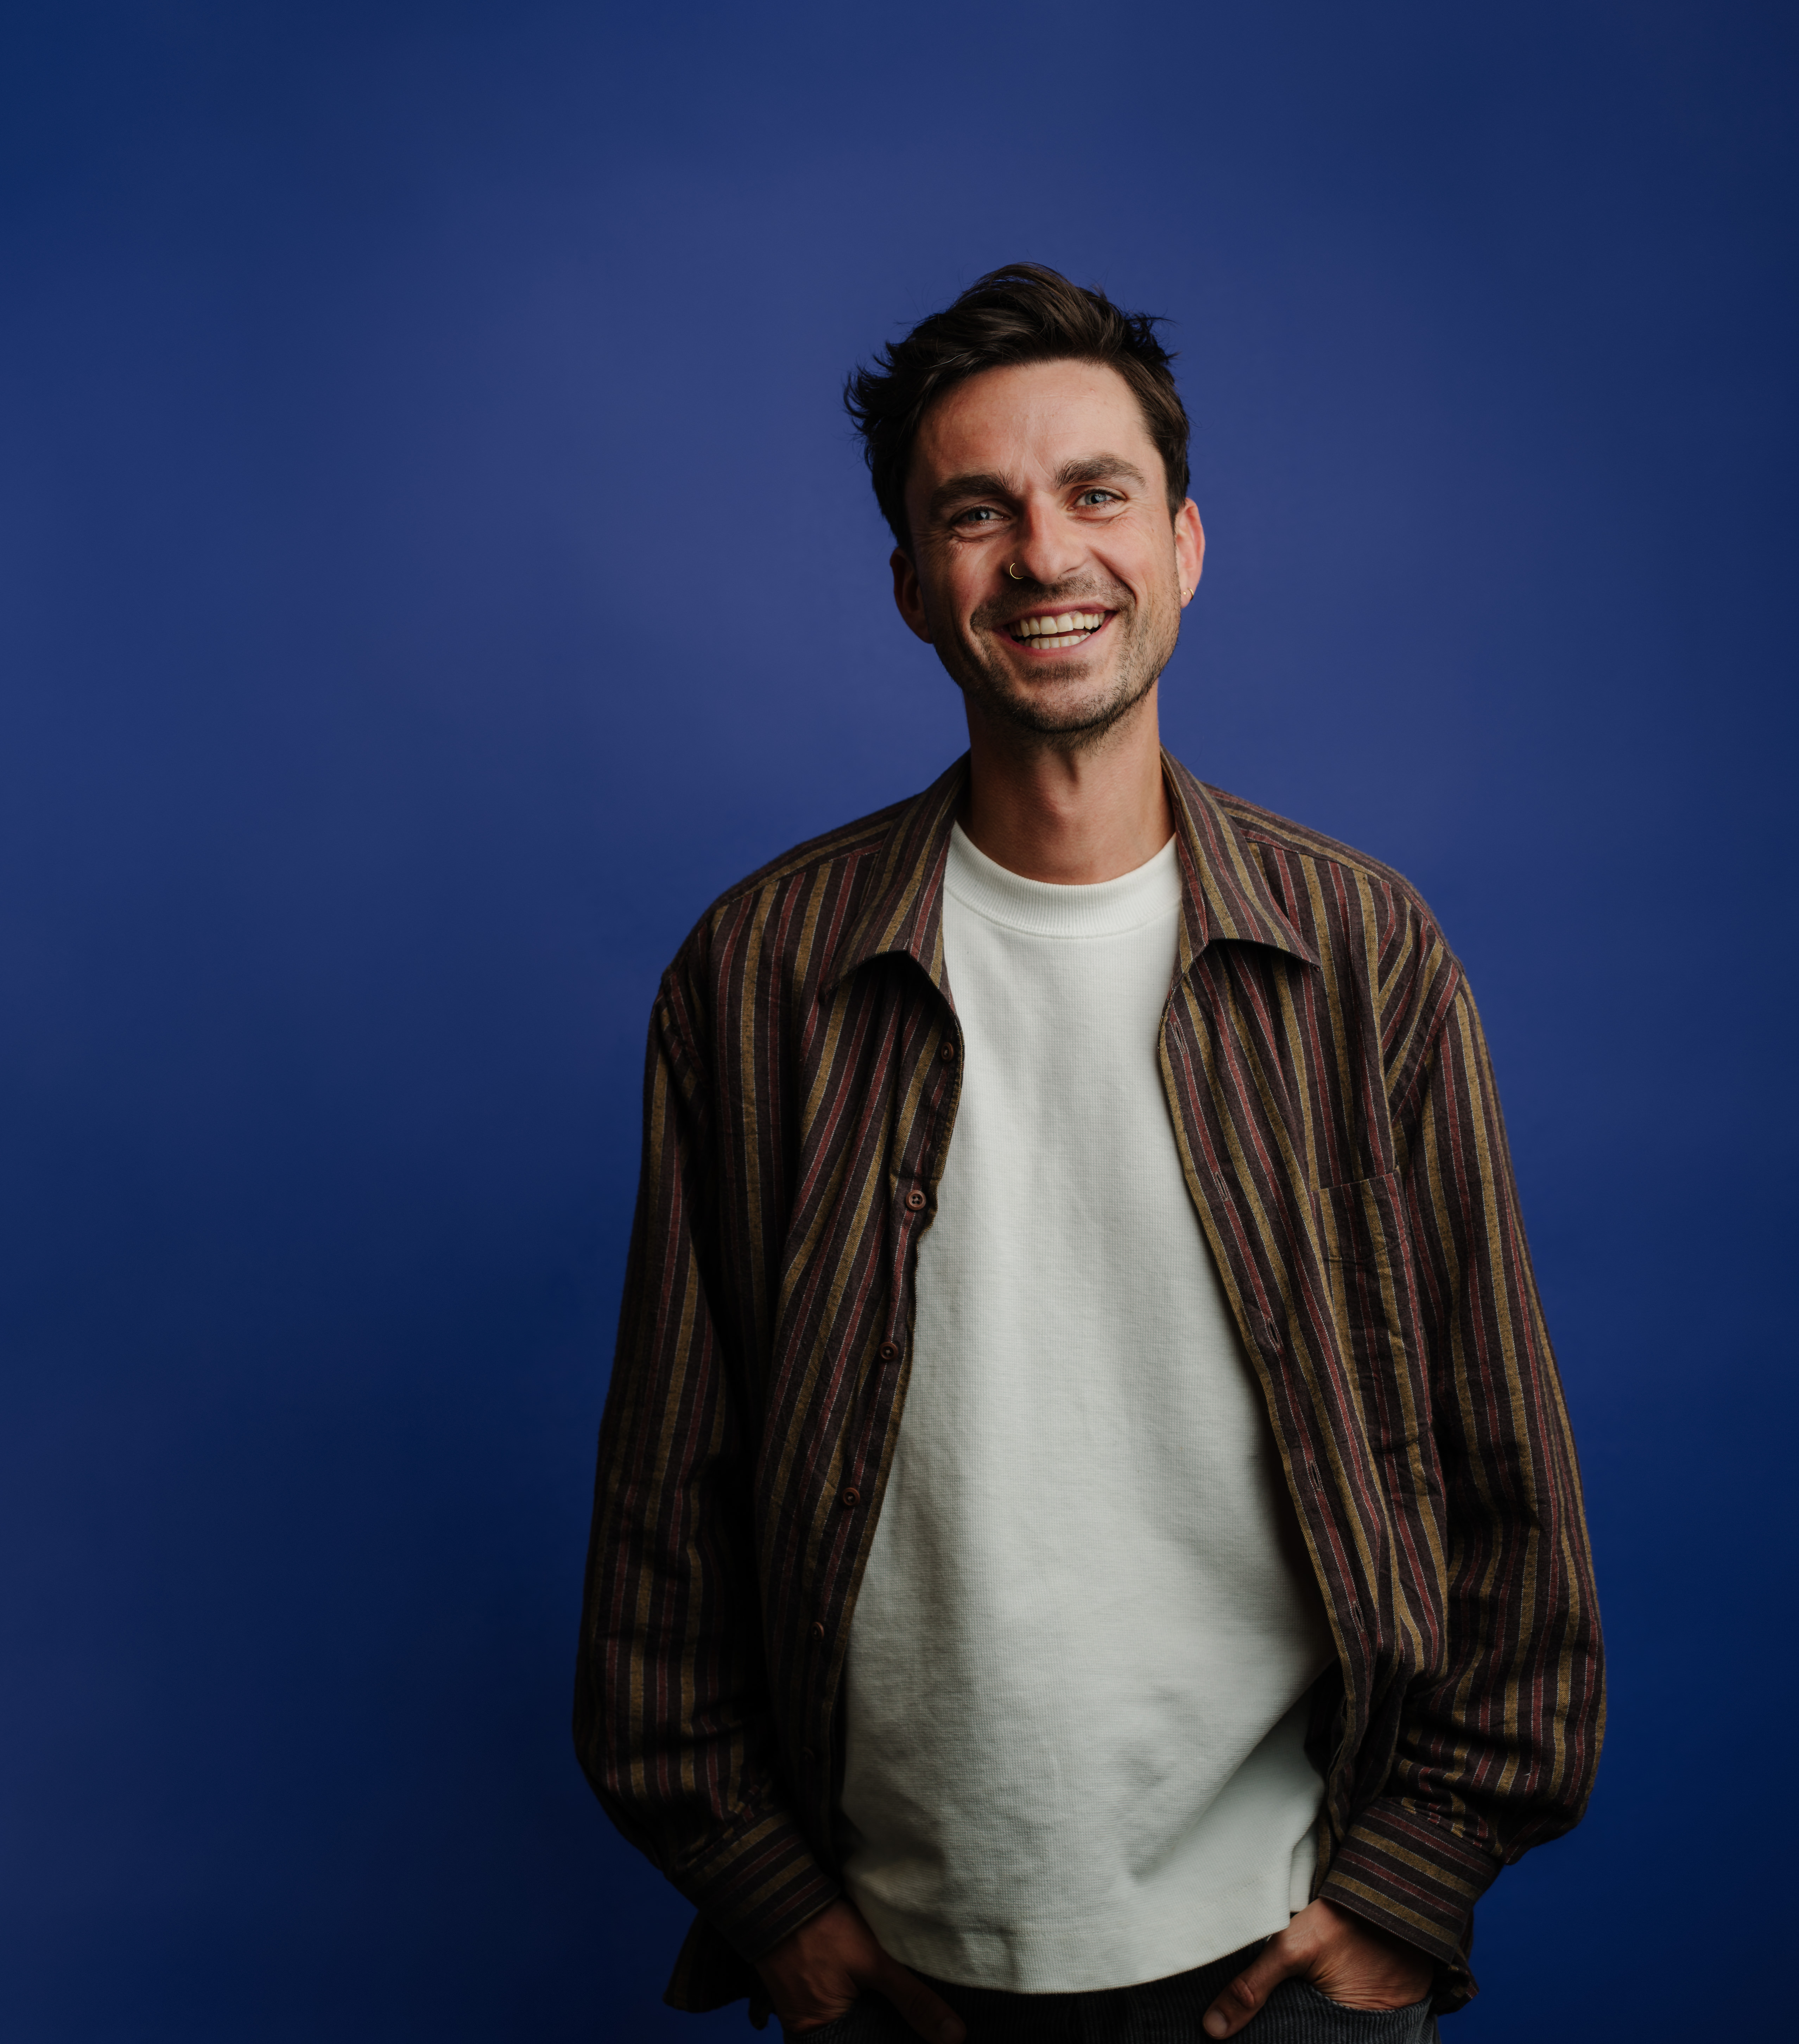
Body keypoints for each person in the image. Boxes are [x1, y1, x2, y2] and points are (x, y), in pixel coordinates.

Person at [575, 264, 1604, 2041]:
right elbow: (666, 1503)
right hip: (893, 1970)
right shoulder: (760, 979)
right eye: (977, 512)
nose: (1046, 555)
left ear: (1183, 546)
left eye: (1096, 494)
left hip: (1286, 1955)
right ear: (914, 585)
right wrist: (768, 1901)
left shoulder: (1361, 957)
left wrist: (1414, 1881)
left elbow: (1503, 1462)